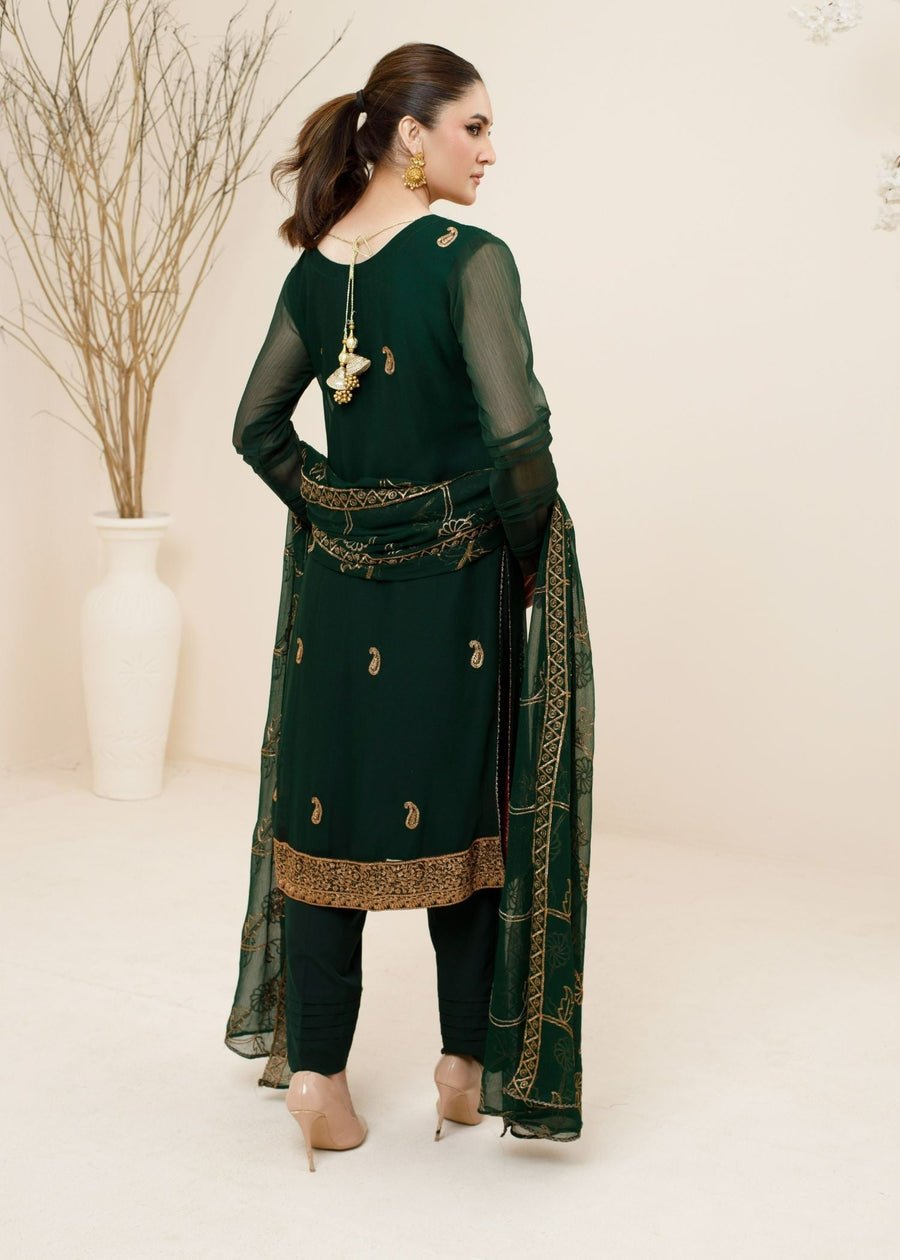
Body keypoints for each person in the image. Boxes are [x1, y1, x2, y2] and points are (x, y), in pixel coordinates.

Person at [223, 42, 595, 1169]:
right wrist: (523, 556)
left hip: (337, 600)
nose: (490, 150)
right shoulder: (470, 260)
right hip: (453, 597)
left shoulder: (314, 270)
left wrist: (340, 508)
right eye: (473, 126)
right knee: (467, 823)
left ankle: (320, 1081)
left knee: (324, 817)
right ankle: (463, 1070)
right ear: (410, 136)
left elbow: (257, 429)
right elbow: (517, 442)